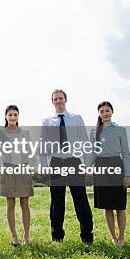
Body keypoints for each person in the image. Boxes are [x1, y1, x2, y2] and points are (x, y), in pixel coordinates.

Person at [40, 89, 94, 245]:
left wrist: (87, 164)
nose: (58, 101)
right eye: (55, 99)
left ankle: (87, 236)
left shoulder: (76, 118)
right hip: (56, 162)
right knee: (57, 201)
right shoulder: (47, 121)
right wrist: (44, 165)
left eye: (60, 98)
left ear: (65, 99)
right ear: (52, 101)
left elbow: (84, 141)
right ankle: (57, 236)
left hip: (74, 162)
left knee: (80, 199)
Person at [89, 101, 130, 246]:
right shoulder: (93, 132)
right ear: (99, 114)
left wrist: (127, 175)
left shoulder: (120, 130)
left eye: (107, 110)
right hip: (100, 167)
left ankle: (121, 236)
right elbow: (92, 154)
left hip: (116, 166)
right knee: (107, 205)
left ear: (112, 112)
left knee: (120, 205)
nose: (105, 113)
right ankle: (113, 236)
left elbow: (126, 154)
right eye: (102, 111)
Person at [0, 105, 34, 247]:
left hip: (23, 168)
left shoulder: (25, 133)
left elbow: (30, 151)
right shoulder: (1, 133)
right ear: (6, 116)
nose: (13, 117)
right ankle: (14, 236)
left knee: (25, 203)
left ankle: (27, 236)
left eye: (15, 115)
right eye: (10, 115)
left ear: (18, 116)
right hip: (8, 169)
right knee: (10, 203)